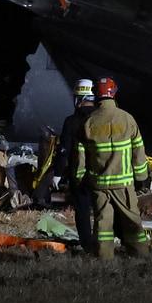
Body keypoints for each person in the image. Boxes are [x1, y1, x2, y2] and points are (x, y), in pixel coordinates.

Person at [75, 77, 149, 259]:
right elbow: (138, 151)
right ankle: (141, 255)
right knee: (132, 221)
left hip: (99, 185)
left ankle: (104, 257)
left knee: (102, 224)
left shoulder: (88, 122)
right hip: (123, 184)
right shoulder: (127, 119)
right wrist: (141, 177)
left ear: (96, 95)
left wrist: (79, 179)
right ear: (114, 93)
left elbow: (80, 157)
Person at [53, 79, 96, 252]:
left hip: (79, 174)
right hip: (104, 172)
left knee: (83, 210)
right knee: (103, 210)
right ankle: (104, 244)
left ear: (79, 98)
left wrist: (57, 173)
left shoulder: (71, 121)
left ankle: (87, 244)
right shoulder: (103, 119)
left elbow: (64, 150)